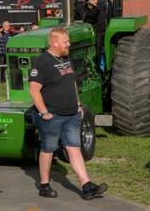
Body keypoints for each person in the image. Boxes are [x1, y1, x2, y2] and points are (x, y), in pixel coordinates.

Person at [29, 27, 108, 200]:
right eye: (66, 42)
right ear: (55, 43)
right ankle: (44, 185)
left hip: (71, 115)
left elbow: (71, 82)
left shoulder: (66, 58)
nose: (69, 44)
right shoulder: (42, 62)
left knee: (74, 148)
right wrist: (44, 113)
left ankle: (86, 185)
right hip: (52, 116)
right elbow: (34, 90)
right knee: (48, 149)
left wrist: (78, 104)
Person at [82, 0, 108, 68]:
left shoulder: (99, 9)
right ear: (88, 0)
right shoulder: (82, 9)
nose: (96, 1)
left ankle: (96, 66)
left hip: (97, 33)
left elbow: (101, 26)